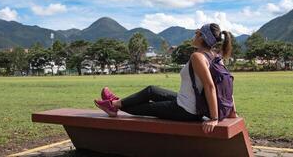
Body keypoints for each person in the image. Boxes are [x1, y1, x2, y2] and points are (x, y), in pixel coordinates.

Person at [94, 23, 238, 133]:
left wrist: (214, 118)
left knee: (145, 108)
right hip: (187, 102)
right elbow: (227, 85)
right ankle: (116, 103)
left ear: (202, 37)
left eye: (197, 32)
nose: (194, 34)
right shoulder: (215, 56)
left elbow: (211, 86)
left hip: (187, 110)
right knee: (151, 90)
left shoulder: (198, 57)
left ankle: (113, 106)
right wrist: (232, 110)